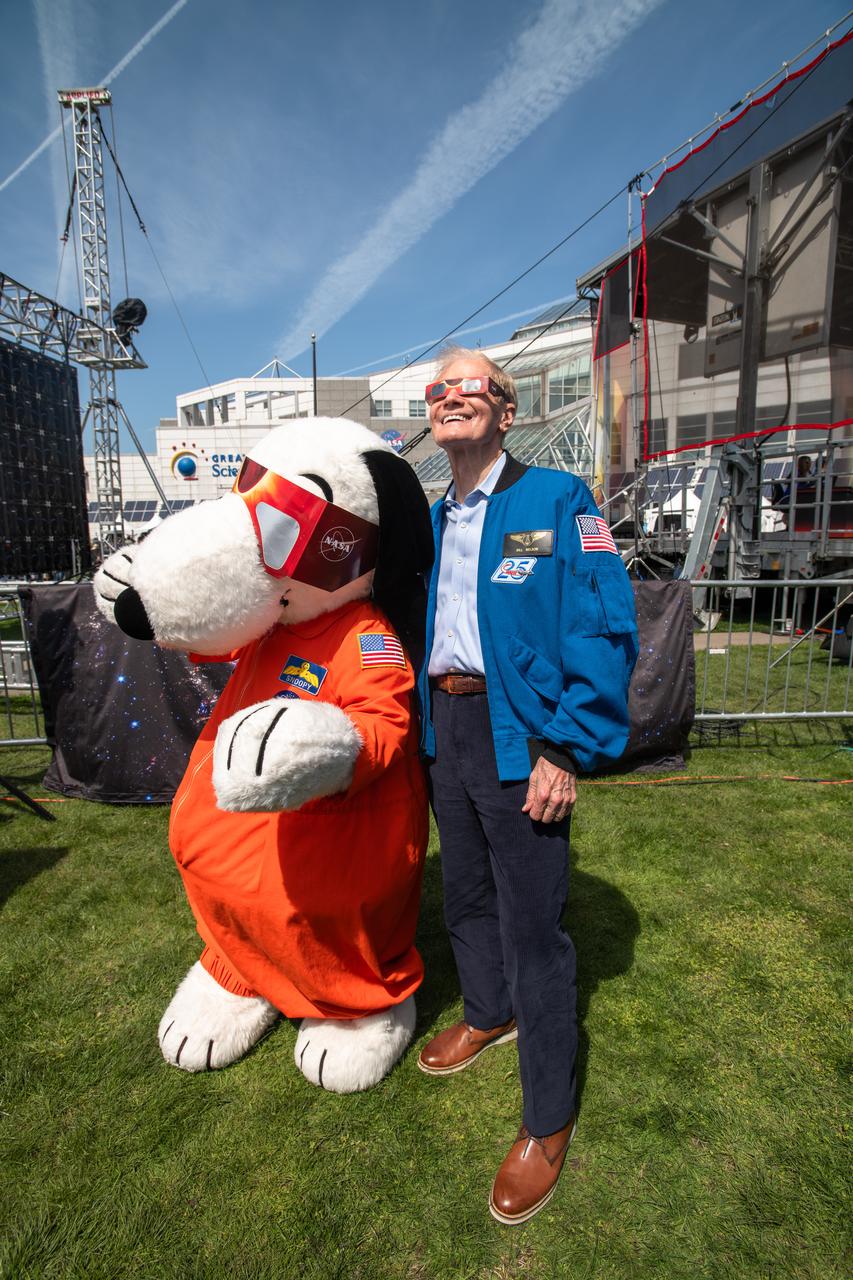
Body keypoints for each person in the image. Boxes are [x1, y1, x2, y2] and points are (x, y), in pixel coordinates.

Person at [416, 347, 638, 1225]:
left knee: (532, 927)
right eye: (437, 391)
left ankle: (547, 1119)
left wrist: (563, 747)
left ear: (506, 411)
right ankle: (486, 1012)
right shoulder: (434, 519)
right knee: (464, 894)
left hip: (524, 736)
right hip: (447, 729)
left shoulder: (555, 501)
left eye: (470, 387)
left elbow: (600, 621)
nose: (451, 398)